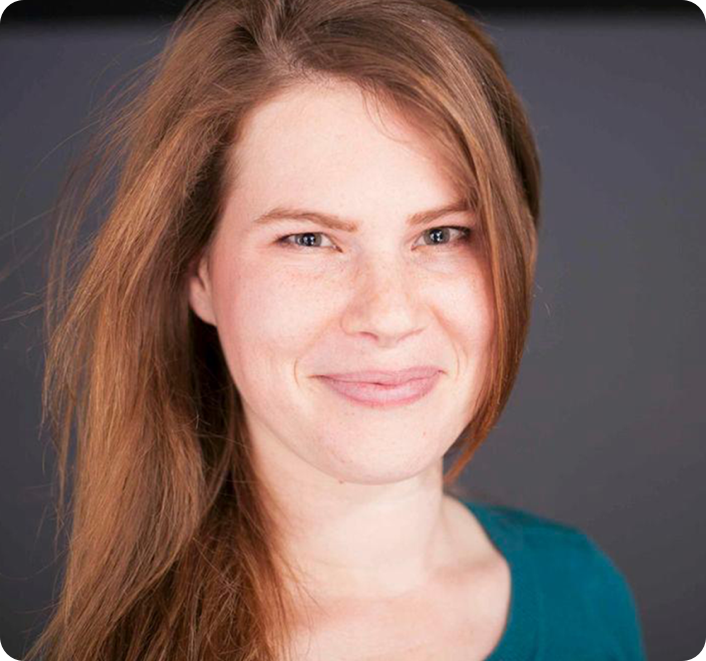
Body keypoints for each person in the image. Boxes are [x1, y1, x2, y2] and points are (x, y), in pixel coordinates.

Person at [25, 0, 647, 659]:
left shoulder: (585, 595)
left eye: (441, 234)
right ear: (197, 270)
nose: (387, 313)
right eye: (309, 239)